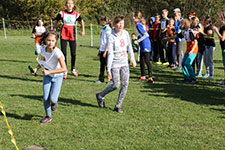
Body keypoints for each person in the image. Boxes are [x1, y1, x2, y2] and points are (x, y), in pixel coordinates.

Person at [96, 15, 136, 113]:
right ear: (114, 24)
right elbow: (110, 53)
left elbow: (129, 47)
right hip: (115, 64)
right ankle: (100, 95)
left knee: (125, 84)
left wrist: (132, 59)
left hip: (124, 63)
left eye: (122, 23)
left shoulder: (126, 33)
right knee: (116, 85)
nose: (120, 25)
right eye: (118, 23)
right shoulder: (111, 36)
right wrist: (108, 69)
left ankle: (118, 105)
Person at [32, 31, 67, 123]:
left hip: (58, 77)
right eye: (48, 40)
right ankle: (48, 116)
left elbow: (64, 69)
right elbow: (43, 62)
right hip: (47, 76)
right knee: (45, 97)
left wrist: (49, 71)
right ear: (45, 40)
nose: (50, 42)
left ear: (56, 41)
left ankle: (55, 102)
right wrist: (36, 68)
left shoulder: (57, 53)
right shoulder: (43, 50)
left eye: (52, 40)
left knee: (53, 99)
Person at [54, 0, 85, 79]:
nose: (69, 5)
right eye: (68, 3)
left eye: (71, 4)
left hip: (72, 34)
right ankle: (65, 70)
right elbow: (56, 21)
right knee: (63, 53)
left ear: (73, 5)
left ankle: (73, 69)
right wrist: (54, 30)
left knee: (73, 53)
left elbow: (81, 21)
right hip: (64, 34)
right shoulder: (61, 13)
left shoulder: (76, 14)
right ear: (65, 5)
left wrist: (83, 30)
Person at [133, 11, 153, 83]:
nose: (132, 18)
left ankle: (150, 77)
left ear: (137, 17)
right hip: (142, 44)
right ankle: (143, 76)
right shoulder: (139, 24)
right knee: (141, 60)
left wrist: (138, 41)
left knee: (147, 61)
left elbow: (146, 35)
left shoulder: (139, 25)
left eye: (133, 17)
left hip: (145, 44)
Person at [96, 16, 112, 84]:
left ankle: (110, 79)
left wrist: (105, 51)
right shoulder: (102, 29)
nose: (101, 22)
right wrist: (100, 50)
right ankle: (101, 79)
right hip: (102, 49)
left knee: (108, 65)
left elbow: (108, 41)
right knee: (102, 65)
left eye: (102, 21)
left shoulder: (108, 30)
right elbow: (101, 40)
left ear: (105, 22)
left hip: (107, 50)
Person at [213, 11, 225, 85]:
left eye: (219, 18)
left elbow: (223, 38)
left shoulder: (224, 27)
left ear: (223, 18)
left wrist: (216, 31)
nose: (218, 20)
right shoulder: (222, 27)